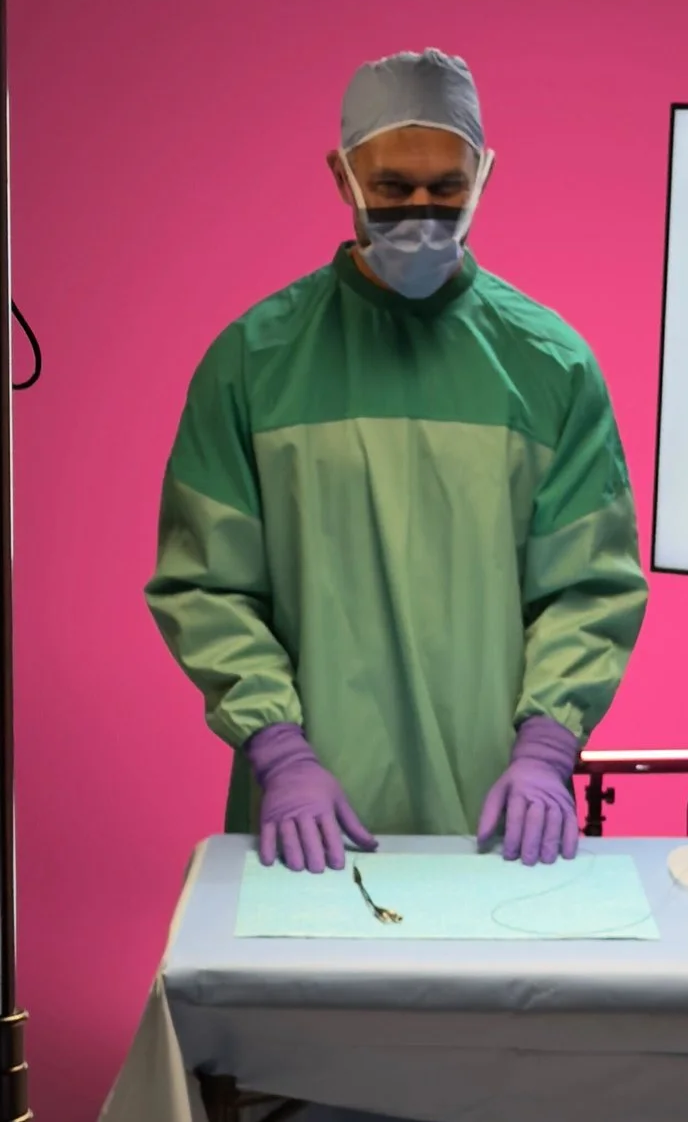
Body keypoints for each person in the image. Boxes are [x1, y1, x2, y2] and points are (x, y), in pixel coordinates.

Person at [147, 49, 647, 868]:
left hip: (496, 815)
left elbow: (590, 586)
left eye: (446, 187)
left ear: (484, 174)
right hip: (313, 824)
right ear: (342, 176)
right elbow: (205, 585)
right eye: (391, 187)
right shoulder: (253, 361)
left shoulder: (550, 366)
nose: (420, 209)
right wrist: (280, 750)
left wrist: (548, 748)